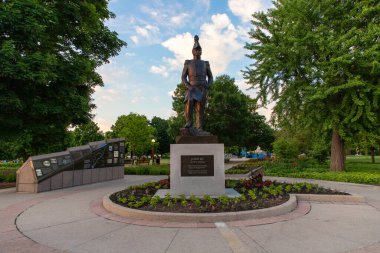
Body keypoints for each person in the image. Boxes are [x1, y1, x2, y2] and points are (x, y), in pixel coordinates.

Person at [181, 35, 213, 130]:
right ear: (193, 51)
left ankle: (199, 127)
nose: (198, 51)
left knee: (200, 109)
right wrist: (187, 86)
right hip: (192, 88)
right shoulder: (188, 63)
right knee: (189, 103)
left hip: (202, 88)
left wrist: (208, 85)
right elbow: (183, 77)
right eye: (196, 50)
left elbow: (210, 77)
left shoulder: (205, 63)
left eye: (199, 50)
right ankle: (189, 123)